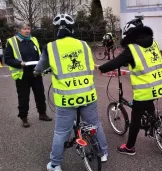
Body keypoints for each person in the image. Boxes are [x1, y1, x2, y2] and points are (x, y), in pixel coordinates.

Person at [33, 14, 108, 171]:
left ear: (56, 30)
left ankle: (55, 164)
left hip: (66, 99)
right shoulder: (83, 45)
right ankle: (103, 153)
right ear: (72, 29)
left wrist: (36, 72)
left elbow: (40, 67)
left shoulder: (51, 47)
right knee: (95, 125)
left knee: (61, 133)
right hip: (88, 94)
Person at [97, 18, 162, 155]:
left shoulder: (132, 48)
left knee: (136, 118)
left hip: (146, 89)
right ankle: (154, 125)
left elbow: (116, 62)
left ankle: (129, 147)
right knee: (149, 106)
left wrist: (101, 68)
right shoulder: (152, 43)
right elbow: (144, 59)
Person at [4, 22, 51, 128]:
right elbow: (7, 59)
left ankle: (42, 114)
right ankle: (24, 118)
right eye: (25, 29)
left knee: (40, 94)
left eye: (28, 29)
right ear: (19, 30)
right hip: (22, 74)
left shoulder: (33, 40)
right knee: (23, 97)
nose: (27, 31)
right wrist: (19, 63)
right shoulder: (12, 42)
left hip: (36, 72)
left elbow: (42, 54)